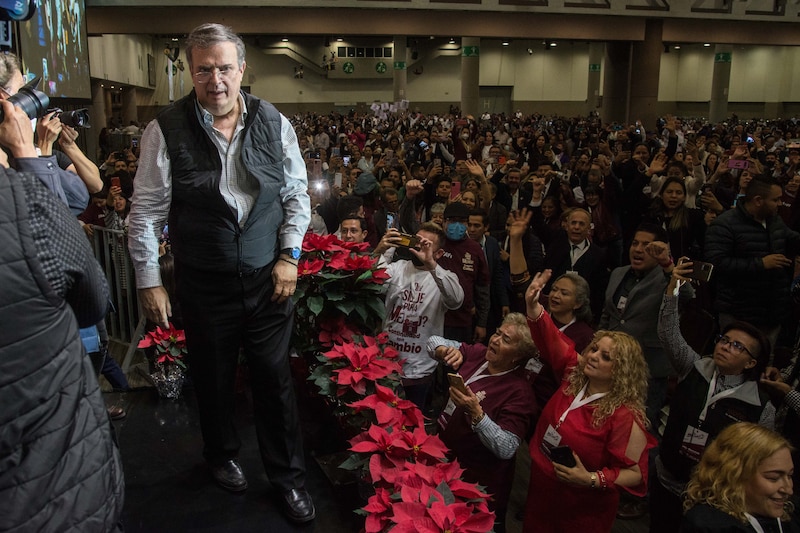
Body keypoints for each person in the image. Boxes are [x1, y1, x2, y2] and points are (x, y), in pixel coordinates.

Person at [127, 23, 314, 523]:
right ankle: (221, 455)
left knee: (274, 380)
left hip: (269, 278)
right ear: (191, 72)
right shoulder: (164, 128)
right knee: (211, 377)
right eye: (204, 69)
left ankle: (288, 479)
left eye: (225, 68)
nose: (216, 80)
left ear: (241, 69)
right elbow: (145, 213)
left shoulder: (274, 122)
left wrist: (289, 257)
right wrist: (150, 280)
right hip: (204, 280)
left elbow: (297, 195)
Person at [0, 98, 124, 530]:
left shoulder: (42, 163)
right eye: (18, 101)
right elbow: (89, 301)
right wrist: (28, 160)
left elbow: (93, 185)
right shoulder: (20, 187)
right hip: (41, 451)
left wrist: (57, 151)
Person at [522, 269, 656, 533]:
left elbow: (634, 473)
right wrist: (532, 304)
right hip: (543, 489)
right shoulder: (574, 375)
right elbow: (552, 340)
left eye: (606, 357)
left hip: (581, 507)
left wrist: (593, 479)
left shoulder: (625, 415)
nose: (594, 356)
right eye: (594, 349)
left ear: (622, 370)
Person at [650, 260, 775, 533]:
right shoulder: (693, 366)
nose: (725, 347)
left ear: (751, 363)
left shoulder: (760, 407)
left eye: (737, 346)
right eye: (724, 339)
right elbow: (668, 333)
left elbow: (755, 462)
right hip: (665, 475)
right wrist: (673, 287)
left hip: (707, 497)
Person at [429, 313, 537, 533]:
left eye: (506, 340)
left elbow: (506, 447)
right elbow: (433, 342)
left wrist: (476, 413)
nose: (495, 340)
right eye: (497, 332)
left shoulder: (519, 393)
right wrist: (446, 352)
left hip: (477, 482)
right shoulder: (479, 354)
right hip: (445, 462)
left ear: (517, 356)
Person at [705, 175, 800, 355]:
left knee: (763, 366)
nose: (780, 204)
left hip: (771, 312)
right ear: (758, 200)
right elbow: (717, 263)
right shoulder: (724, 225)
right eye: (775, 200)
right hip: (738, 312)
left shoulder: (774, 221)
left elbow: (792, 239)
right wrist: (761, 264)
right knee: (734, 364)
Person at [682, 423, 798, 533]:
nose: (788, 490)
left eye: (790, 476)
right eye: (774, 478)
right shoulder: (708, 526)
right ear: (735, 476)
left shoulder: (791, 515)